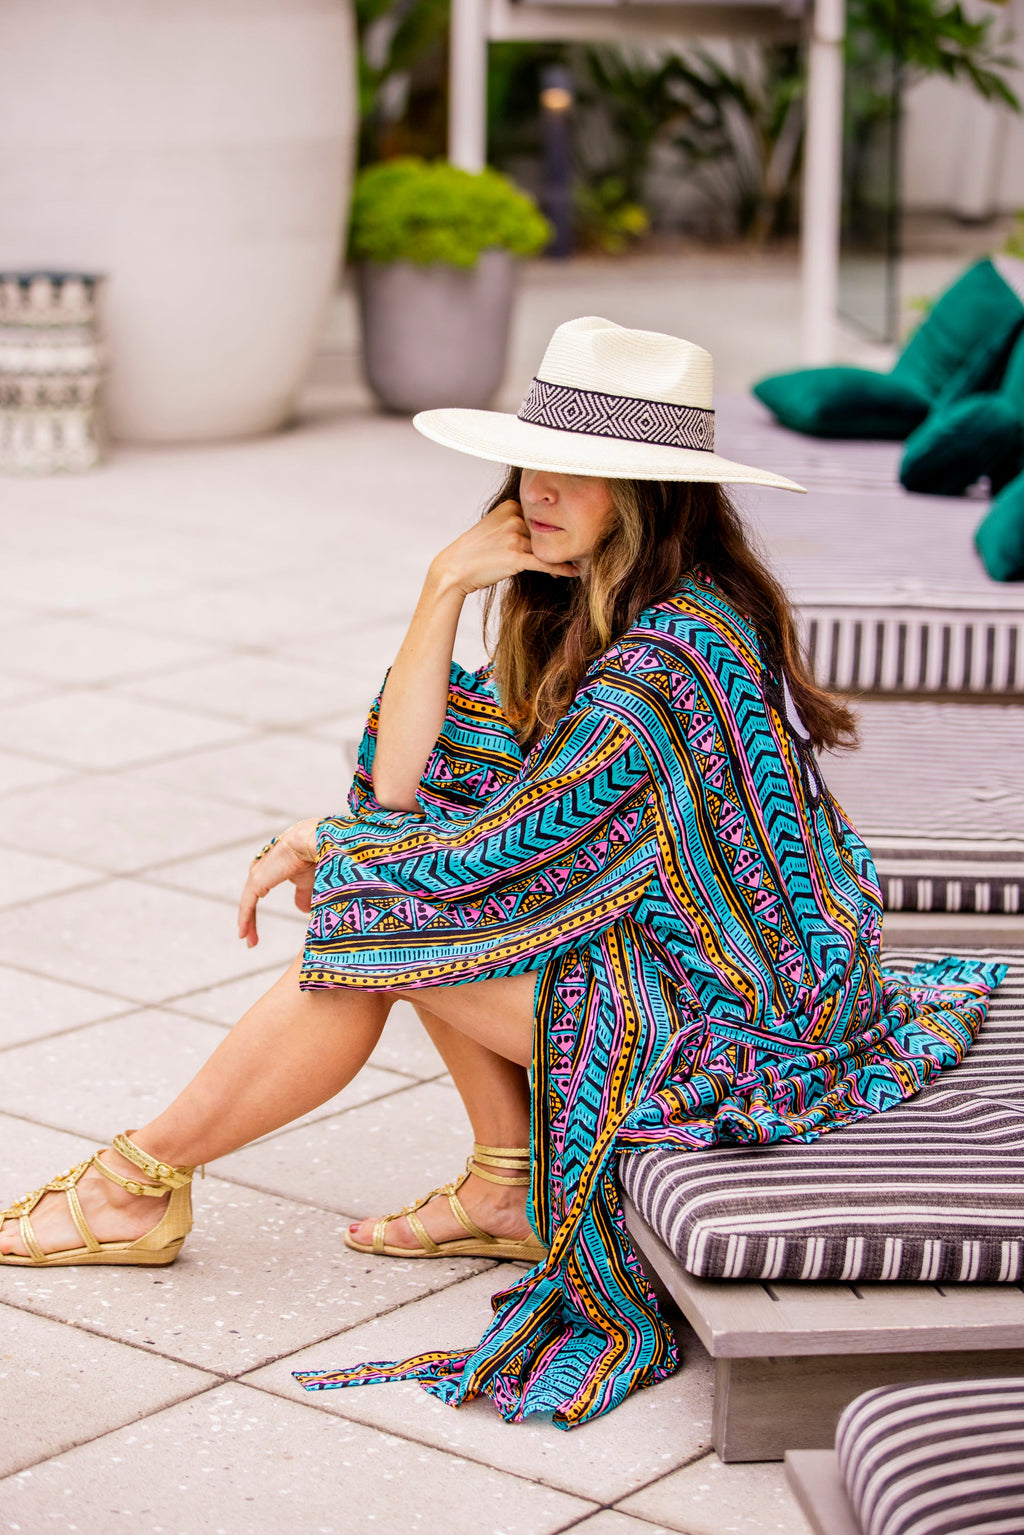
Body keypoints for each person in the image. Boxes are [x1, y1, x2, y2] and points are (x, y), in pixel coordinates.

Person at [0, 318, 1004, 1430]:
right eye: (533, 459)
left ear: (651, 493)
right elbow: (403, 785)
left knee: (387, 919)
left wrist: (327, 847)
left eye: (580, 469)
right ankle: (498, 1183)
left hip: (742, 1012)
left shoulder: (672, 661)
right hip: (669, 957)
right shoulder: (583, 601)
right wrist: (442, 586)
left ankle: (137, 1182)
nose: (540, 489)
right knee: (404, 869)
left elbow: (489, 864)